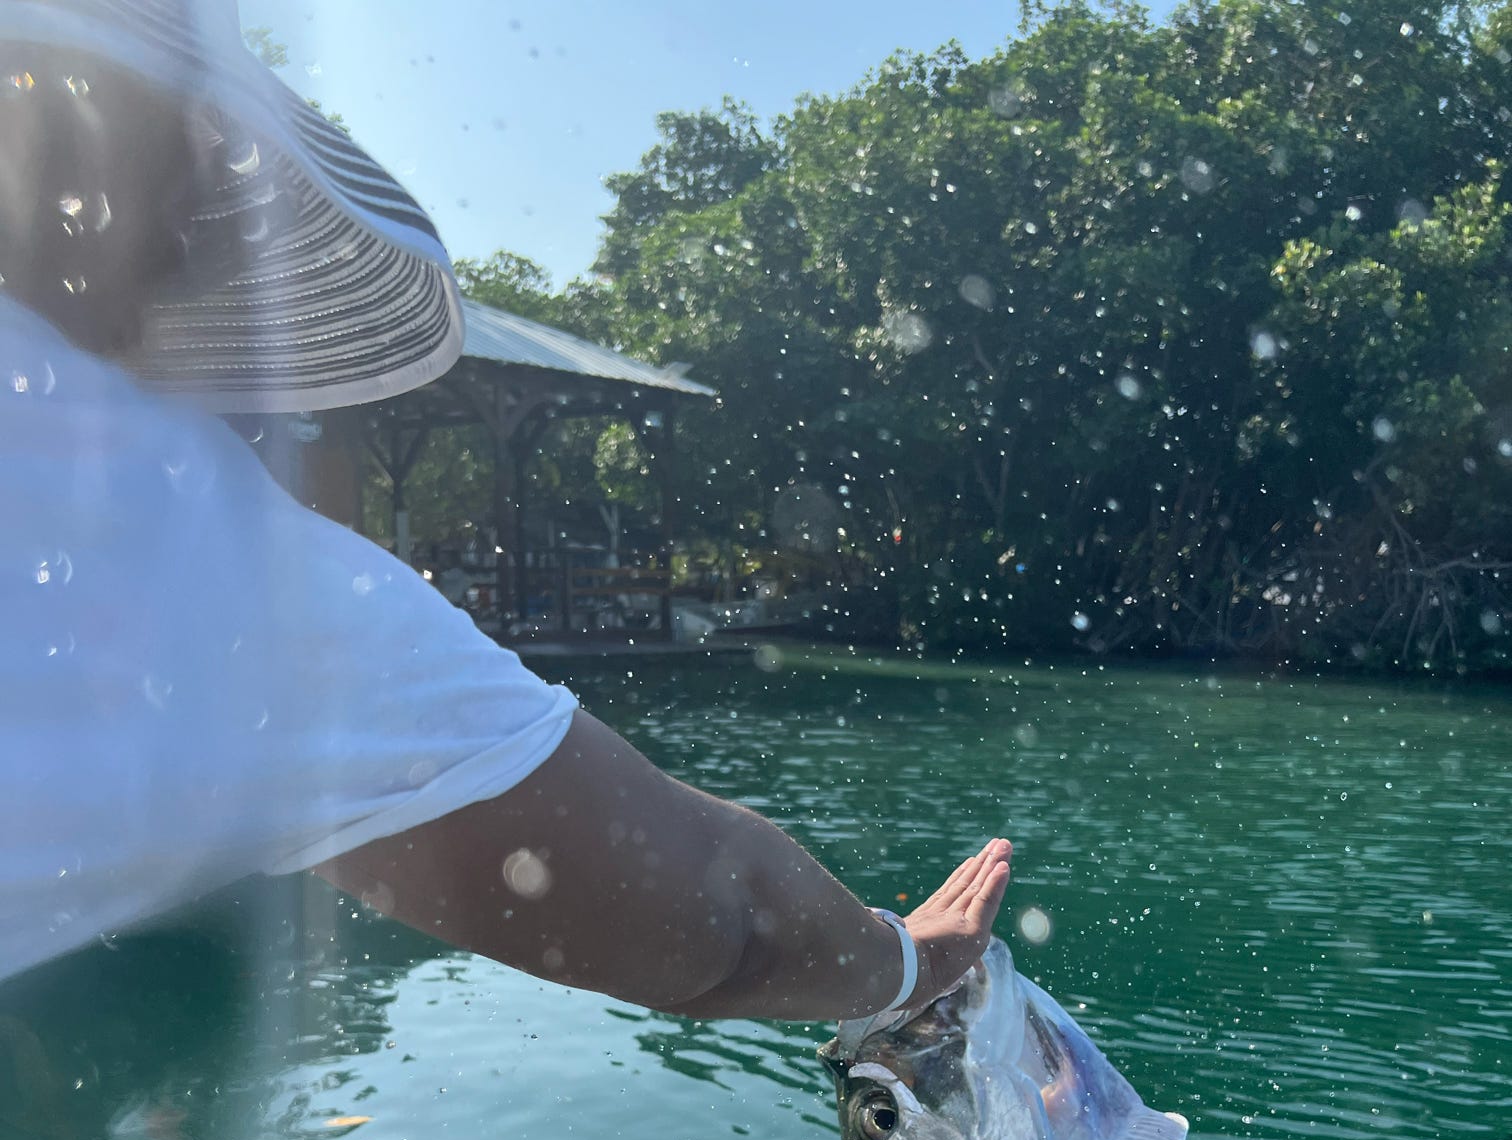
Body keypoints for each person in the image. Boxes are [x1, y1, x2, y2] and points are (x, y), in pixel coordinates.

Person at [0, 0, 1010, 1018]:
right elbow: (719, 924)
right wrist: (907, 960)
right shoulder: (186, 549)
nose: (210, 177)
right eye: (199, 131)